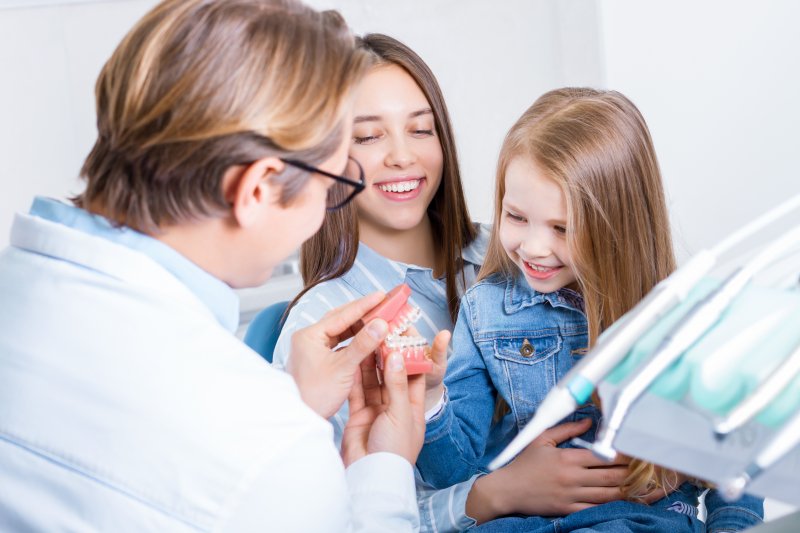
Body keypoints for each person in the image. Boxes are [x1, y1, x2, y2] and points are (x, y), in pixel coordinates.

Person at [0, 1, 428, 531]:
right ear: (256, 190)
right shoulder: (270, 453)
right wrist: (381, 475)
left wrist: (287, 404)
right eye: (332, 183)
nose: (323, 213)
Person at [272, 35, 638, 531]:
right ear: (326, 156)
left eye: (421, 130)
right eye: (368, 136)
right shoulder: (323, 325)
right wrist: (498, 493)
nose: (402, 156)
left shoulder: (526, 252)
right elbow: (340, 517)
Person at [415, 88, 764, 532]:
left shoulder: (687, 312)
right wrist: (429, 402)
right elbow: (452, 472)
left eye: (563, 228)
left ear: (618, 224)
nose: (534, 247)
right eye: (516, 216)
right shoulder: (486, 310)